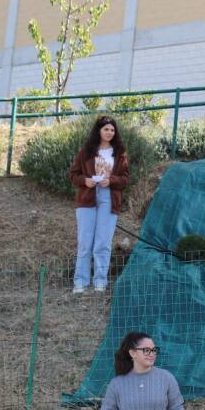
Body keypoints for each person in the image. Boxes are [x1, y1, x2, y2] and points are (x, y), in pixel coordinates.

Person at [70, 116, 129, 293]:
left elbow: (126, 179)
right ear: (99, 131)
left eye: (112, 130)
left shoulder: (120, 153)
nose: (110, 132)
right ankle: (80, 281)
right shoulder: (86, 151)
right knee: (85, 241)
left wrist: (111, 180)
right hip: (87, 197)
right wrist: (85, 181)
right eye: (106, 129)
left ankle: (100, 281)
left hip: (109, 198)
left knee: (103, 242)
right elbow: (73, 175)